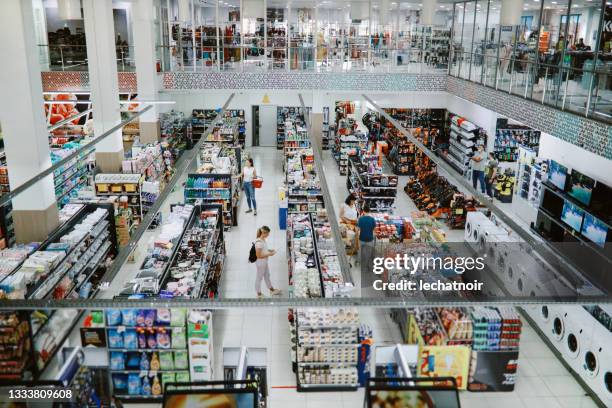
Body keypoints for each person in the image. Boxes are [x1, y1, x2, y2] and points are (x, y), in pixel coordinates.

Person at [254, 226, 281, 298]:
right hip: (261, 263)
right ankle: (259, 294)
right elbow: (258, 255)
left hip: (264, 262)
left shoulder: (263, 240)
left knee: (267, 275)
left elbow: (263, 250)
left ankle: (272, 290)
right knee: (259, 278)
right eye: (268, 234)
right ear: (264, 233)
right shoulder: (259, 243)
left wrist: (269, 250)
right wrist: (270, 254)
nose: (268, 235)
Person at [357, 203, 376, 275]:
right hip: (370, 238)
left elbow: (358, 230)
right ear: (369, 211)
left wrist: (358, 234)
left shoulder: (360, 219)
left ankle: (359, 262)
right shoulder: (372, 219)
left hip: (362, 238)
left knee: (360, 251)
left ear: (363, 211)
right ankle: (367, 265)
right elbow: (374, 230)